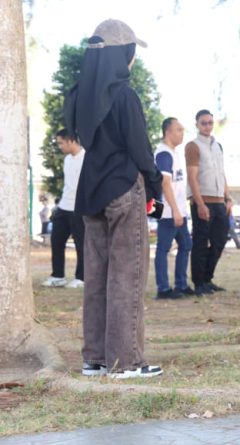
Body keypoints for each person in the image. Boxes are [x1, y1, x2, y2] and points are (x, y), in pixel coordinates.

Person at [65, 19, 163, 378]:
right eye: (131, 52)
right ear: (124, 54)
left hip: (91, 192)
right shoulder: (124, 95)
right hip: (123, 188)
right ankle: (126, 362)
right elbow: (140, 148)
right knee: (127, 275)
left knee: (97, 277)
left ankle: (96, 358)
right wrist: (154, 184)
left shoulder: (79, 96)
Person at [185, 109, 232, 295]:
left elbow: (222, 173)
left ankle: (207, 278)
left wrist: (228, 198)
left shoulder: (217, 146)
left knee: (220, 240)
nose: (207, 126)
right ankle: (198, 282)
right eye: (203, 123)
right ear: (196, 124)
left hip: (220, 201)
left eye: (210, 122)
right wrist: (200, 204)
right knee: (200, 242)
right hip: (202, 201)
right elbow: (192, 177)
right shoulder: (193, 146)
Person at [153, 117, 193, 299]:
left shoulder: (174, 153)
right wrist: (175, 210)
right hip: (168, 211)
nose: (182, 133)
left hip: (178, 210)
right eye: (179, 129)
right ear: (168, 132)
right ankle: (163, 289)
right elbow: (165, 183)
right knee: (163, 248)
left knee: (185, 245)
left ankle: (181, 285)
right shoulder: (163, 153)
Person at [42, 130, 86, 289]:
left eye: (61, 142)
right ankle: (58, 275)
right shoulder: (67, 159)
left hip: (79, 209)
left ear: (71, 141)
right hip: (63, 207)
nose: (60, 146)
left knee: (81, 244)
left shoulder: (87, 158)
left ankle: (81, 278)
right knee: (56, 241)